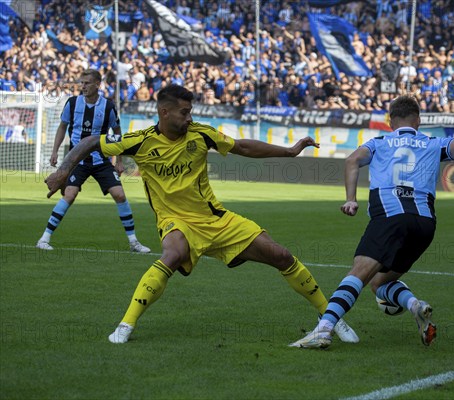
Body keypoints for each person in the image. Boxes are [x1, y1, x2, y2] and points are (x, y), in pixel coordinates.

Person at [44, 84, 359, 345]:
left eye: (190, 111)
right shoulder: (139, 142)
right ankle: (126, 324)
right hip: (175, 222)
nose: (189, 117)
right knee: (172, 254)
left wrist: (289, 151)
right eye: (184, 112)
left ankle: (329, 316)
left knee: (282, 255)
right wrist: (62, 171)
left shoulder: (201, 134)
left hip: (216, 220)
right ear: (164, 112)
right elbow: (89, 142)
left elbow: (243, 148)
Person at [290, 95, 454, 349]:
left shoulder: (379, 142)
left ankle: (324, 329)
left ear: (391, 120)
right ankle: (414, 305)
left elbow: (352, 161)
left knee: (359, 272)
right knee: (378, 282)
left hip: (390, 216)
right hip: (425, 225)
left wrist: (351, 198)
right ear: (418, 120)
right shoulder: (433, 143)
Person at [36, 69, 151, 253]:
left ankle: (133, 242)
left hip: (101, 160)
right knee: (70, 195)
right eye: (81, 83)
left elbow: (117, 133)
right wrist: (55, 151)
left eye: (87, 83)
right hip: (77, 161)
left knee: (120, 195)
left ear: (97, 84)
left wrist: (119, 161)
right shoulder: (72, 103)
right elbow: (62, 126)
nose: (83, 86)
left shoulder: (108, 106)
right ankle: (44, 238)